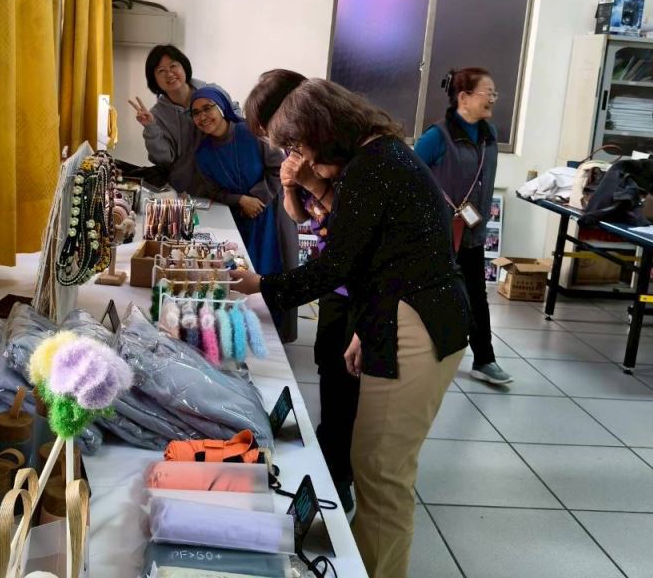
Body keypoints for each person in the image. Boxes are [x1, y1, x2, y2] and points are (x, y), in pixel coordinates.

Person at [231, 76, 470, 578]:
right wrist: (368, 325)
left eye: (300, 146)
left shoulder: (372, 167)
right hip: (403, 311)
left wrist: (264, 286)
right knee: (373, 463)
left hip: (417, 319)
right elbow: (384, 257)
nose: (300, 158)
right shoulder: (380, 156)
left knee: (381, 473)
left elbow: (336, 265)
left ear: (323, 129)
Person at [245, 69, 358, 514]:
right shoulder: (298, 154)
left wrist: (312, 182)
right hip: (333, 282)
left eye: (270, 128)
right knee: (329, 366)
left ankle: (342, 475)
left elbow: (343, 223)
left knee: (347, 383)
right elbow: (299, 216)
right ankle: (331, 456)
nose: (274, 142)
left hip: (356, 285)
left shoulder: (339, 157)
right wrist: (292, 186)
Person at [414, 68, 513, 386]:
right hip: (438, 234)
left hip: (470, 231)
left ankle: (484, 359)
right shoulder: (437, 136)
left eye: (494, 93)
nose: (492, 99)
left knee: (477, 297)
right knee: (433, 295)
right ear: (464, 97)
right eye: (487, 93)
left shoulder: (489, 135)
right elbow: (409, 175)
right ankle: (426, 357)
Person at [189, 85, 299, 342]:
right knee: (242, 275)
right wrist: (240, 200)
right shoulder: (203, 153)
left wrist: (257, 199)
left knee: (274, 271)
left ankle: (276, 338)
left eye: (207, 108)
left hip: (271, 214)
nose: (203, 116)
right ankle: (247, 335)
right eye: (196, 113)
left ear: (222, 107)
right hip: (239, 218)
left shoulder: (252, 132)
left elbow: (279, 168)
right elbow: (212, 190)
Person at [128, 44, 236, 196]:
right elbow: (164, 159)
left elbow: (235, 118)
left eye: (173, 66)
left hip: (226, 183)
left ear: (184, 66)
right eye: (161, 71)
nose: (169, 74)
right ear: (154, 80)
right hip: (187, 190)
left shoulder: (212, 92)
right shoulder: (157, 114)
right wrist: (150, 127)